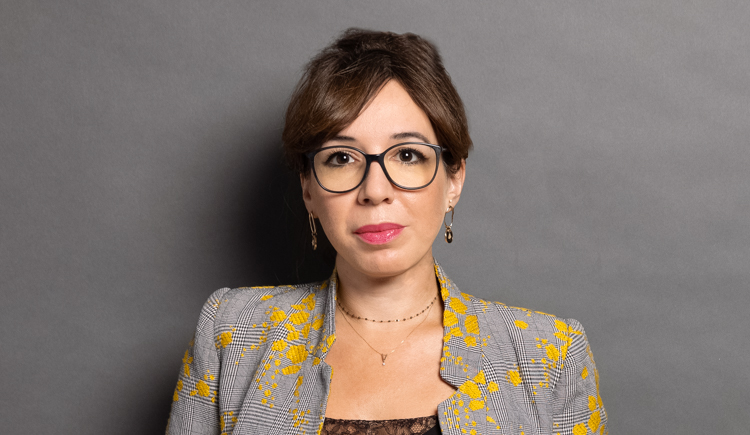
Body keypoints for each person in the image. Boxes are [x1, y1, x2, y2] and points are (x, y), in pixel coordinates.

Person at [166, 28, 607, 435]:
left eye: (407, 155)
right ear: (308, 189)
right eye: (341, 158)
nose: (375, 191)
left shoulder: (549, 355)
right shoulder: (231, 333)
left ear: (453, 180)